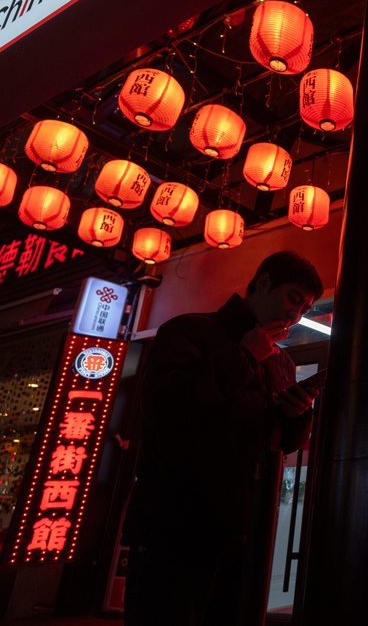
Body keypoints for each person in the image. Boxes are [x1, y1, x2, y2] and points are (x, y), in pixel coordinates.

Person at [122, 251, 324, 625]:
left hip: (243, 526)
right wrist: (244, 353)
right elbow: (165, 406)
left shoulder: (281, 361)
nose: (296, 315)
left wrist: (297, 416)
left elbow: (275, 441)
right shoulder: (188, 330)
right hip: (175, 524)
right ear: (262, 282)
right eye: (293, 298)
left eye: (306, 309)